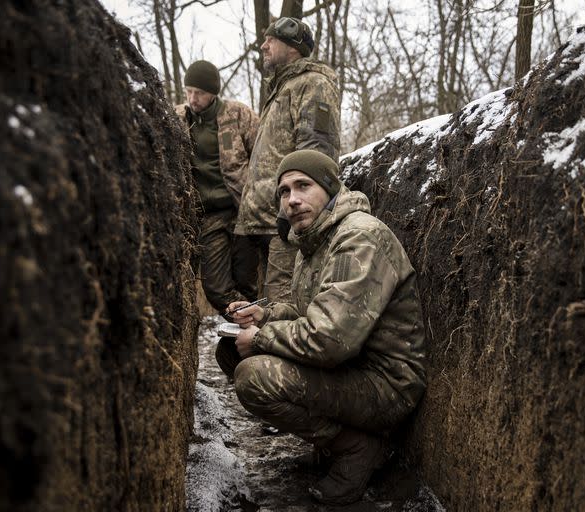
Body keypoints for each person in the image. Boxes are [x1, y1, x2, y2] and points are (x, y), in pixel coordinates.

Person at [220, 149, 427, 505]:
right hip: (351, 370)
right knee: (229, 351)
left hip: (386, 385)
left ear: (330, 188)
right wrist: (263, 316)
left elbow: (330, 339)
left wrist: (263, 337)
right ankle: (331, 445)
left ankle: (358, 449)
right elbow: (305, 311)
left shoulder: (359, 238)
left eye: (303, 185)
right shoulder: (313, 240)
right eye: (284, 191)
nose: (292, 200)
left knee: (255, 375)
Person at [235, 17, 341, 303]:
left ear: (292, 46)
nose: (263, 45)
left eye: (271, 40)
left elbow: (316, 154)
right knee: (263, 311)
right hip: (262, 227)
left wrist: (288, 215)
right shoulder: (282, 89)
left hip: (285, 226)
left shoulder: (313, 84)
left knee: (282, 310)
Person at [175, 60, 259, 313]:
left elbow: (263, 157)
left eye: (199, 92)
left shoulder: (238, 114)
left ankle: (250, 339)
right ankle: (242, 319)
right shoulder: (177, 118)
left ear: (213, 92)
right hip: (208, 215)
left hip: (242, 210)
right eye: (188, 91)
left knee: (246, 280)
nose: (193, 98)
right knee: (215, 287)